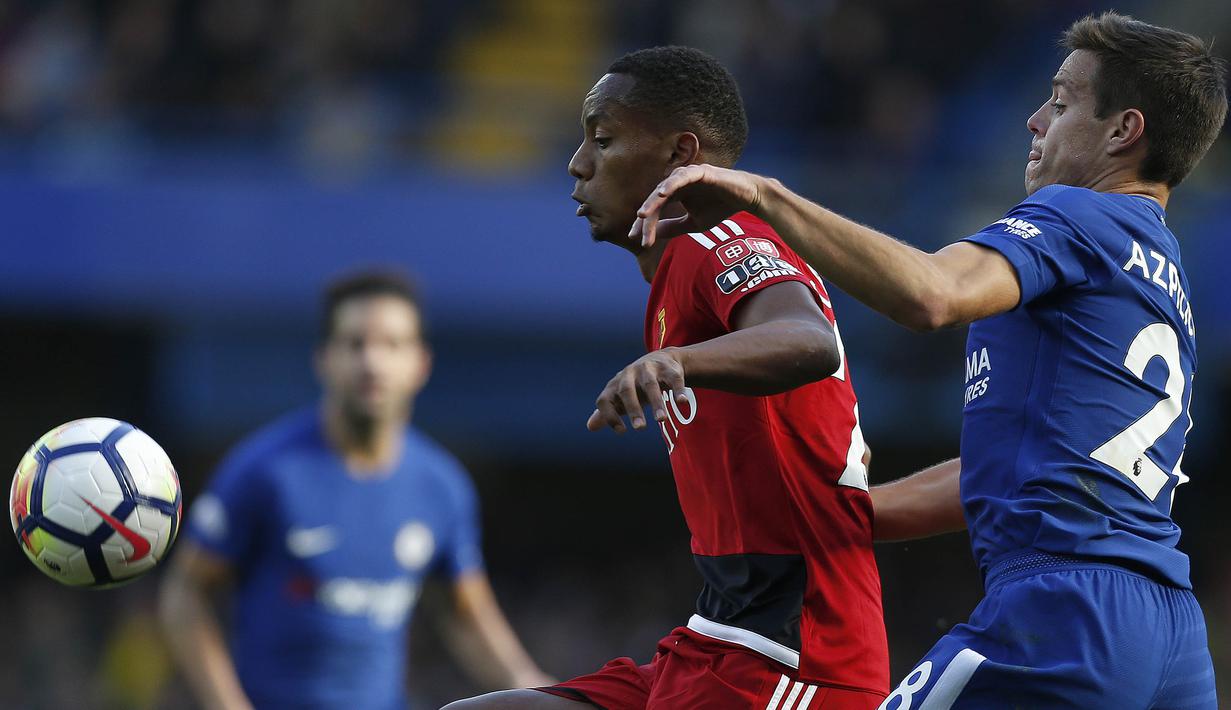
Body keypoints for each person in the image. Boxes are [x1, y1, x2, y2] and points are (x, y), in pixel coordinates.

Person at [630, 12, 1226, 709]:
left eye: (1061, 103)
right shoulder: (1163, 270)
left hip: (1063, 613)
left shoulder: (1077, 215)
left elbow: (931, 293)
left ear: (1123, 131)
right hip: (1170, 633)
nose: (1035, 120)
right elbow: (1018, 471)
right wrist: (846, 514)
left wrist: (766, 195)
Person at [445, 47, 888, 710]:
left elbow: (809, 340)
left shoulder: (718, 237)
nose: (577, 162)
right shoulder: (674, 279)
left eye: (603, 138)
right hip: (717, 636)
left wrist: (673, 361)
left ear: (681, 156)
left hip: (793, 650)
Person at [159, 271, 552, 710]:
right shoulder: (263, 470)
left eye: (391, 344)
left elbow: (465, 613)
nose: (372, 362)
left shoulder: (441, 487)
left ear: (421, 364)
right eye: (355, 343)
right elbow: (186, 593)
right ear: (323, 358)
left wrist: (532, 686)